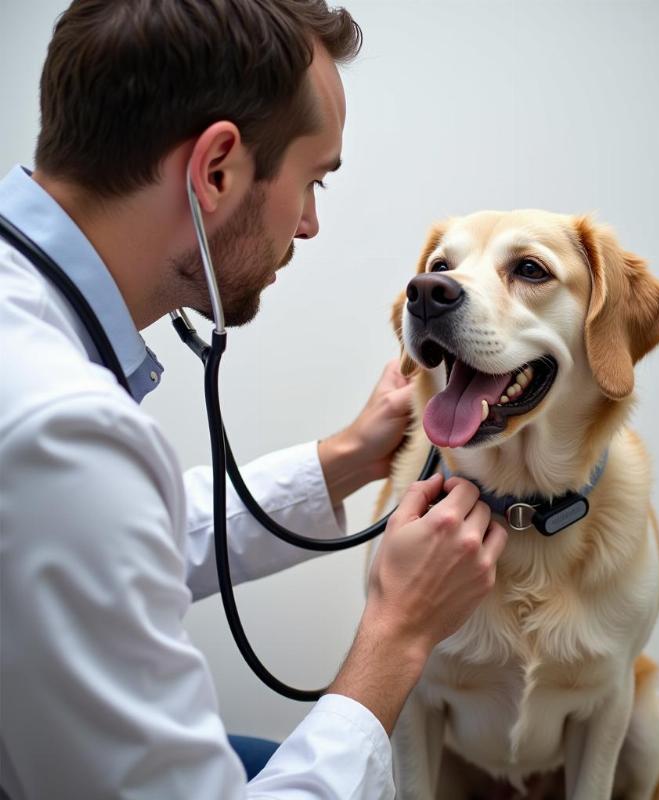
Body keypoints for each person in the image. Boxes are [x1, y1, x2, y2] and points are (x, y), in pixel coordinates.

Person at [0, 1, 508, 798]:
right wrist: (397, 634)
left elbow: (113, 543)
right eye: (312, 181)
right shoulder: (63, 431)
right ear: (217, 170)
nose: (308, 225)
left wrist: (343, 461)